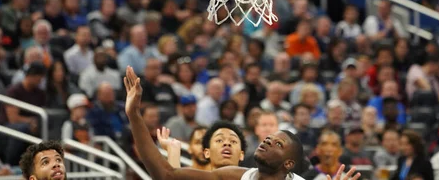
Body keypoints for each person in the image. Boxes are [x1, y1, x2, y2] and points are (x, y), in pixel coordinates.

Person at [123, 66, 361, 180]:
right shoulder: (232, 176)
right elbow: (165, 175)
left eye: (278, 143)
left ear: (289, 163)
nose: (268, 139)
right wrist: (134, 114)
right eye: (269, 137)